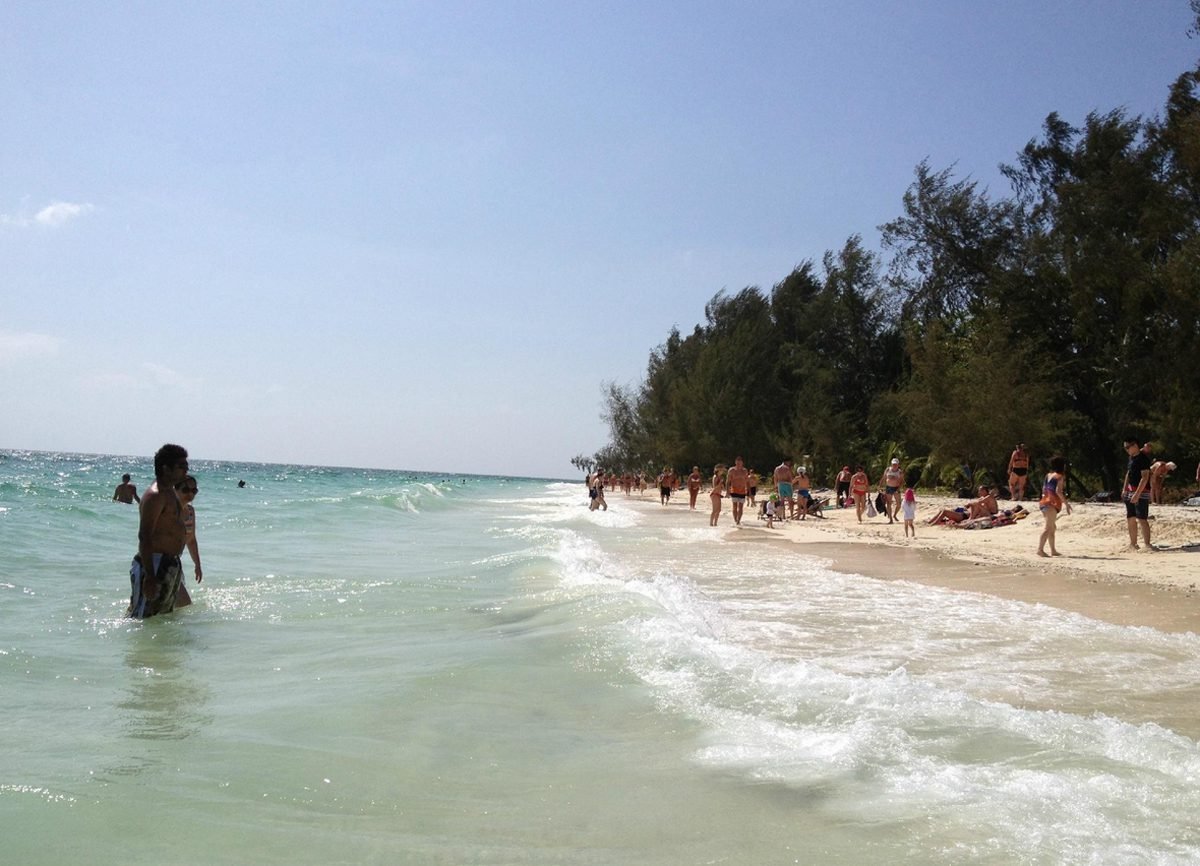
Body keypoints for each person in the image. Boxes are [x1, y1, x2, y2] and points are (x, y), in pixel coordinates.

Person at [128, 444, 189, 619]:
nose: (186, 471)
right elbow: (144, 536)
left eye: (186, 466)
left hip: (169, 562)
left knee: (162, 619)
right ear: (166, 468)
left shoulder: (170, 492)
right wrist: (149, 575)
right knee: (142, 618)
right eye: (181, 466)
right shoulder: (155, 496)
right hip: (154, 564)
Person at [174, 475, 203, 606]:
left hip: (174, 563)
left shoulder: (190, 511)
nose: (190, 494)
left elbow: (190, 540)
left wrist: (197, 565)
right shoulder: (168, 510)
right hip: (158, 562)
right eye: (185, 490)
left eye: (194, 490)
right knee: (184, 603)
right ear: (175, 490)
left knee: (178, 605)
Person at [1037, 456, 1072, 557]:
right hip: (1051, 504)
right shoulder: (1060, 476)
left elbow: (1044, 490)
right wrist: (1066, 504)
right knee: (1048, 528)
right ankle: (1040, 550)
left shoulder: (1048, 475)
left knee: (1052, 527)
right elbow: (1058, 491)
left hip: (1044, 502)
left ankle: (1053, 550)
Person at [1123, 438, 1152, 550]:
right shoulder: (1131, 458)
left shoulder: (1143, 459)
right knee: (1130, 517)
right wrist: (1124, 488)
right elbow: (1128, 473)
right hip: (1130, 490)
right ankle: (1133, 544)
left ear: (1135, 445)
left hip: (1142, 491)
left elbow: (1145, 478)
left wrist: (1137, 494)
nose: (1126, 450)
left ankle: (1147, 544)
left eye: (1128, 447)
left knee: (1142, 518)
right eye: (1125, 448)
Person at [726, 457, 750, 525]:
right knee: (735, 506)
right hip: (734, 490)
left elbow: (747, 481)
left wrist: (749, 491)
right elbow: (728, 481)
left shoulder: (744, 471)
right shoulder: (732, 470)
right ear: (735, 462)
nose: (739, 464)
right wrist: (727, 491)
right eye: (737, 463)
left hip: (742, 490)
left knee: (741, 506)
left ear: (742, 463)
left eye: (740, 463)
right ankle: (735, 520)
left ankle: (738, 520)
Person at [881, 458, 904, 524]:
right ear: (891, 464)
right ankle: (890, 519)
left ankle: (895, 515)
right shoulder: (888, 470)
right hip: (889, 487)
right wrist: (880, 486)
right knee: (889, 503)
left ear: (898, 465)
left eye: (896, 464)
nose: (894, 465)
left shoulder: (900, 472)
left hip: (896, 488)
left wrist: (898, 488)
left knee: (899, 504)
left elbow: (902, 481)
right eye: (893, 464)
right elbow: (884, 478)